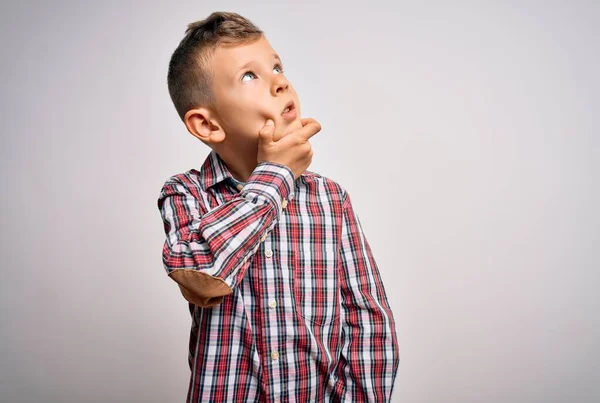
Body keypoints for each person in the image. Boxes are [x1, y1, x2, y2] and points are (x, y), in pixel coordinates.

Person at [157, 11, 400, 402]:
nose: (281, 81)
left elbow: (367, 320)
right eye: (249, 76)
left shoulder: (330, 199)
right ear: (207, 125)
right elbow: (202, 276)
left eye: (277, 67)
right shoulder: (185, 194)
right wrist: (275, 175)